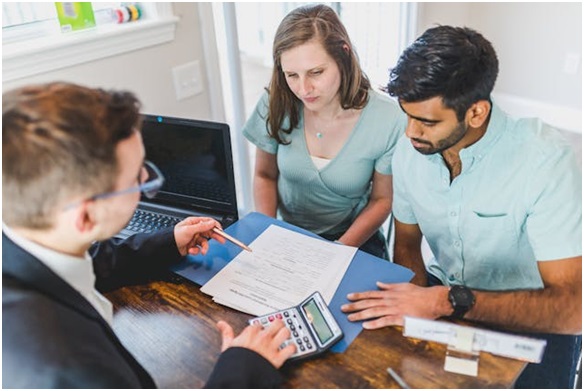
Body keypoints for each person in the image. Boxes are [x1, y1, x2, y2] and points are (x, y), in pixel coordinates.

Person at [2, 82, 296, 388]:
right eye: (137, 180)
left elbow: (99, 259)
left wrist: (170, 241)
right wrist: (243, 367)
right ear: (86, 217)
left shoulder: (29, 239)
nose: (147, 180)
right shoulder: (73, 368)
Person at [341, 26, 582, 388]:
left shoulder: (546, 162)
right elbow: (406, 243)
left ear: (476, 113)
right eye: (407, 115)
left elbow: (571, 310)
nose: (410, 133)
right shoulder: (411, 150)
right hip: (443, 298)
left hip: (534, 316)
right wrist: (415, 324)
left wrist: (445, 302)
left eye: (427, 121)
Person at [243, 4, 406, 259]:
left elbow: (382, 200)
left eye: (316, 72)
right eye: (292, 75)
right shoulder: (275, 102)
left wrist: (337, 251)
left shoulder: (388, 118)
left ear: (343, 55)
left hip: (354, 239)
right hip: (286, 235)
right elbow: (264, 175)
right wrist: (268, 232)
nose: (304, 88)